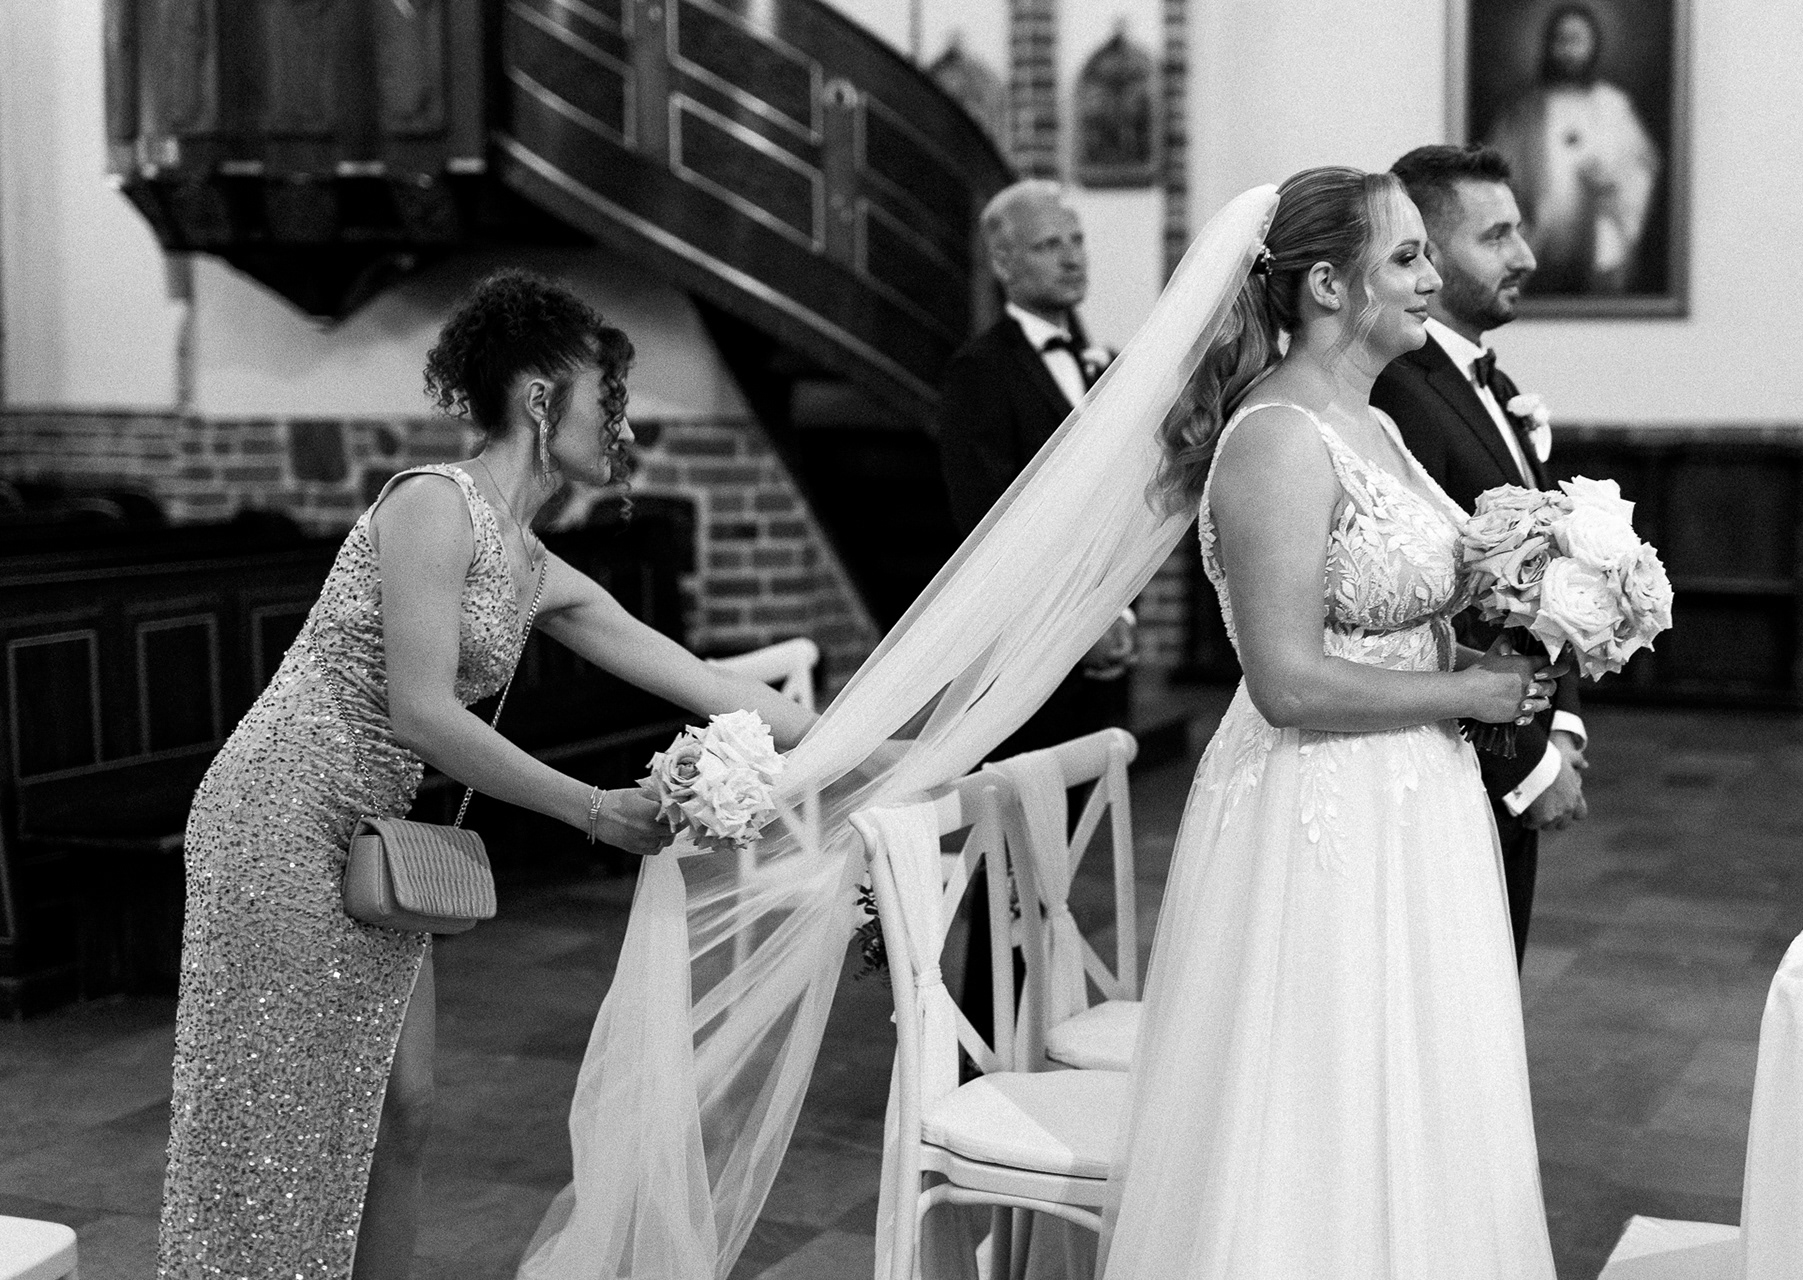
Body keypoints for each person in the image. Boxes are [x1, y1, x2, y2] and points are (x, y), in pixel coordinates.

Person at [156, 270, 817, 1280]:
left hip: (371, 831)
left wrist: (893, 732)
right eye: (610, 398)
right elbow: (423, 711)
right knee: (283, 1113)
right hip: (277, 813)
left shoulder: (536, 564)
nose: (623, 426)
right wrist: (593, 808)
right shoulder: (432, 503)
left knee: (405, 1105)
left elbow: (706, 678)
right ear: (541, 398)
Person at [1097, 167, 1560, 1276]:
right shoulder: (1276, 437)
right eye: (1406, 256)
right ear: (1325, 286)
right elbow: (1287, 681)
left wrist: (1479, 645)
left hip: (1416, 802)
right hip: (1320, 805)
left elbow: (1391, 618)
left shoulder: (1376, 423)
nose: (1430, 277)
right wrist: (1468, 695)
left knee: (1422, 1082)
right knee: (1324, 1095)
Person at [1373, 143, 1589, 967]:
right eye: (1496, 236)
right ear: (1426, 249)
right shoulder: (1398, 388)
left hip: (1513, 728)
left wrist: (1562, 724)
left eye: (1519, 231)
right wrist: (1529, 767)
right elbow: (1427, 605)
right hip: (1457, 756)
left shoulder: (1487, 382)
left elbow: (1541, 582)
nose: (1524, 256)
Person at [935, 179, 1135, 1041]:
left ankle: (1046, 1027)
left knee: (1064, 861)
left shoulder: (1105, 363)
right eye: (1050, 244)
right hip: (1025, 656)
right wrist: (1074, 626)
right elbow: (989, 527)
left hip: (1102, 641)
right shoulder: (981, 372)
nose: (1072, 256)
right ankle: (981, 1043)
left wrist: (1116, 613)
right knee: (1010, 858)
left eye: (1076, 239)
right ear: (1004, 261)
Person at [1484, 2, 1660, 294]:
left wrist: (1611, 183)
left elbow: (1641, 169)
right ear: (1549, 45)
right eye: (1561, 40)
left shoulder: (1613, 105)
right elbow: (1494, 173)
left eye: (1577, 41)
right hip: (1537, 242)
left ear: (1593, 46)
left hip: (1596, 240)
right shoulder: (1522, 110)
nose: (1568, 50)